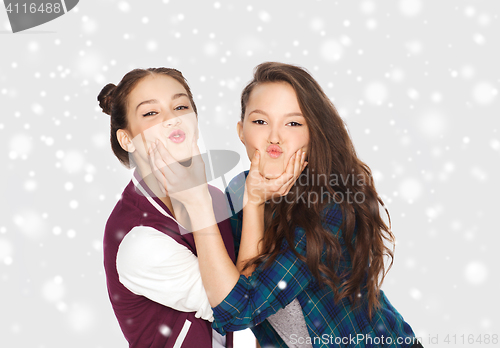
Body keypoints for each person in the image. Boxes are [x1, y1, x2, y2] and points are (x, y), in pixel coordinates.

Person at [149, 62, 424, 348]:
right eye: (260, 122)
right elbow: (253, 303)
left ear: (313, 133)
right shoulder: (240, 191)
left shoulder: (332, 205)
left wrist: (207, 206)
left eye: (293, 123)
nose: (275, 137)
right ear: (241, 131)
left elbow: (240, 309)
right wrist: (253, 202)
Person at [98, 67, 235, 348]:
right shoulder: (138, 239)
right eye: (151, 113)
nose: (172, 119)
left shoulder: (214, 197)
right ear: (127, 140)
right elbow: (234, 309)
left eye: (180, 106)